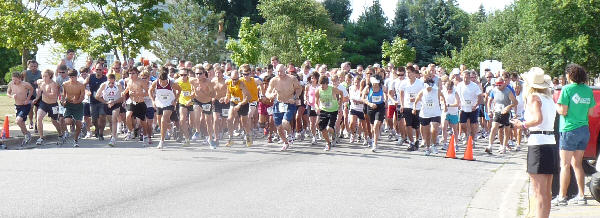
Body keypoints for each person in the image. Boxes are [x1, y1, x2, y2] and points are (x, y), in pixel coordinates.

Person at [510, 67, 558, 218]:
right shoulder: (549, 99)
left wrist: (522, 124)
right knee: (546, 191)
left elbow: (538, 119)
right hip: (550, 142)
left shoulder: (534, 97)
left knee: (538, 191)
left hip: (538, 143)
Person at [554, 64, 595, 206]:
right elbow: (590, 112)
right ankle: (581, 196)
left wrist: (556, 105)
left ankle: (562, 196)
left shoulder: (567, 89)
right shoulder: (588, 90)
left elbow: (563, 111)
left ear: (570, 75)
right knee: (577, 164)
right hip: (584, 129)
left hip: (569, 129)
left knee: (565, 164)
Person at [266, 64, 302, 151]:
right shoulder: (274, 80)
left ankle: (290, 134)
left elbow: (299, 89)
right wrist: (271, 95)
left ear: (285, 70)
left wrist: (294, 97)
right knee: (279, 127)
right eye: (278, 71)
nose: (279, 73)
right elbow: (268, 92)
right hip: (278, 104)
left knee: (285, 122)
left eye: (281, 71)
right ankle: (285, 142)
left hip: (289, 103)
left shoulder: (292, 78)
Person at [413, 78, 446, 155]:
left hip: (435, 113)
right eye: (428, 87)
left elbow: (442, 96)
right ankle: (427, 148)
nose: (429, 88)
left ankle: (433, 145)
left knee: (434, 130)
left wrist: (445, 105)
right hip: (425, 114)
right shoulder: (422, 92)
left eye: (430, 87)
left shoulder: (436, 91)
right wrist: (414, 107)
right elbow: (416, 100)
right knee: (427, 133)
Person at [486, 77, 518, 154]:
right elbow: (489, 101)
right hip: (497, 111)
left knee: (506, 130)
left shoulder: (508, 91)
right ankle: (490, 146)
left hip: (506, 112)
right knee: (494, 127)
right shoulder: (494, 90)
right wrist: (489, 110)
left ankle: (504, 146)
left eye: (500, 84)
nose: (498, 86)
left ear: (503, 83)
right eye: (496, 84)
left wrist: (509, 107)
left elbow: (515, 102)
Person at [149, 71, 180, 149]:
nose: (163, 83)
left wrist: (175, 100)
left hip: (169, 103)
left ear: (167, 79)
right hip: (159, 103)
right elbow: (150, 91)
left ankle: (161, 141)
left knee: (163, 120)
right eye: (161, 81)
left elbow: (180, 90)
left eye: (164, 81)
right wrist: (153, 100)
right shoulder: (155, 83)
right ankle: (169, 127)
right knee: (160, 122)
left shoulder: (171, 83)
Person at [33, 70, 64, 145]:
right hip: (43, 103)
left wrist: (43, 91)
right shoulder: (41, 82)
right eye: (43, 76)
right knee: (39, 118)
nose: (44, 78)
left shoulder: (53, 84)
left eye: (45, 76)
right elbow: (37, 84)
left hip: (53, 105)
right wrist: (36, 98)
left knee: (54, 121)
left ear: (50, 76)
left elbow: (54, 95)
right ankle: (41, 137)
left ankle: (60, 134)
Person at [123, 67, 151, 146]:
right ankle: (131, 131)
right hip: (132, 102)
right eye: (130, 73)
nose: (131, 75)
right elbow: (128, 88)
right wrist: (123, 93)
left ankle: (145, 136)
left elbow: (147, 92)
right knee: (128, 116)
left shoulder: (141, 81)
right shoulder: (128, 80)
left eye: (133, 73)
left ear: (137, 74)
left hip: (140, 103)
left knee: (143, 121)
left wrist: (138, 94)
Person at [224, 70, 253, 147]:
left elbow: (248, 97)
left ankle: (248, 136)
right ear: (230, 78)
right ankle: (230, 139)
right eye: (233, 79)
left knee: (244, 123)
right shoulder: (229, 83)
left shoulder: (241, 84)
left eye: (236, 79)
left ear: (238, 78)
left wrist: (240, 104)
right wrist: (226, 98)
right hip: (233, 103)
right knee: (229, 119)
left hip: (243, 103)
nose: (234, 81)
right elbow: (228, 94)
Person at [398, 66, 424, 151]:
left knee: (416, 126)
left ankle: (417, 140)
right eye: (407, 73)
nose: (408, 74)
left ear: (413, 73)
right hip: (407, 106)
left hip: (417, 106)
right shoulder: (404, 83)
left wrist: (416, 98)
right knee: (407, 124)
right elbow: (401, 94)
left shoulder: (420, 83)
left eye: (409, 72)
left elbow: (423, 94)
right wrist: (402, 105)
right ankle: (411, 142)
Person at [315, 75, 343, 151]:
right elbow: (316, 102)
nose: (322, 86)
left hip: (333, 110)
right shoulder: (318, 90)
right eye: (320, 84)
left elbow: (341, 93)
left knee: (329, 128)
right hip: (323, 110)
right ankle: (328, 143)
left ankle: (334, 134)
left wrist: (340, 106)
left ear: (327, 83)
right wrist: (317, 108)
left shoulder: (332, 89)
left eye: (323, 84)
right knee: (321, 128)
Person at [96, 73, 124, 147]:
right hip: (107, 104)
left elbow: (122, 97)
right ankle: (113, 135)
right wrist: (106, 102)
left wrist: (114, 102)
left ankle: (113, 138)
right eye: (110, 82)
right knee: (111, 121)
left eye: (112, 82)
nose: (111, 84)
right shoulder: (104, 85)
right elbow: (97, 96)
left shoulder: (118, 85)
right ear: (107, 80)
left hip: (116, 103)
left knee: (114, 117)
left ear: (115, 80)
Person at [191, 67, 216, 148]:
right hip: (197, 101)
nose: (198, 75)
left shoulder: (208, 82)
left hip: (206, 102)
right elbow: (193, 92)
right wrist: (191, 96)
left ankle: (211, 140)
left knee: (208, 121)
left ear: (204, 74)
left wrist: (203, 91)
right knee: (196, 112)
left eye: (200, 73)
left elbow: (213, 94)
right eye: (197, 74)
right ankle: (197, 131)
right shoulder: (193, 81)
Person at [7, 71, 34, 146]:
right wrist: (12, 96)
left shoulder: (25, 84)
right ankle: (26, 135)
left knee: (18, 121)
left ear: (19, 79)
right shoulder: (11, 84)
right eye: (13, 79)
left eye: (15, 80)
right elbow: (8, 93)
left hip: (25, 105)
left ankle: (27, 134)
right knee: (21, 122)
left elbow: (32, 89)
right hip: (17, 106)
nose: (14, 81)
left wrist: (28, 99)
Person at [456, 70, 483, 145]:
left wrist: (476, 105)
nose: (465, 79)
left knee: (473, 124)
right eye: (464, 77)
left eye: (467, 77)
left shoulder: (474, 85)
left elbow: (480, 96)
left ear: (469, 77)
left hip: (473, 107)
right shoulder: (460, 85)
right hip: (463, 107)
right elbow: (456, 95)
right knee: (462, 124)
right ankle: (466, 135)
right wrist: (458, 103)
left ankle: (472, 138)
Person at [60, 69, 86, 147]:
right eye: (70, 77)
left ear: (76, 77)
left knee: (78, 124)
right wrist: (63, 101)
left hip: (78, 105)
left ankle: (75, 140)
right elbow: (63, 95)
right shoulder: (65, 84)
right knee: (66, 121)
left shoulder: (81, 85)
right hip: (69, 105)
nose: (72, 79)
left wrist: (77, 101)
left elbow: (82, 96)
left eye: (73, 77)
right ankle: (68, 130)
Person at [363, 74, 386, 152]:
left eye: (376, 83)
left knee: (376, 125)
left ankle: (375, 144)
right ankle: (373, 139)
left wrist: (386, 100)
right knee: (373, 128)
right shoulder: (368, 88)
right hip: (371, 107)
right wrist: (369, 104)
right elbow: (362, 98)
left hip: (380, 107)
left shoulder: (382, 87)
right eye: (373, 82)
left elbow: (388, 93)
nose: (374, 84)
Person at [85, 62, 108, 140]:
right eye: (97, 69)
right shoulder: (90, 77)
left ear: (103, 70)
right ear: (94, 69)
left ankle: (101, 134)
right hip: (93, 101)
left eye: (100, 69)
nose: (98, 71)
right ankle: (97, 128)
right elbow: (83, 85)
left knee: (102, 116)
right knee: (94, 120)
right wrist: (87, 91)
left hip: (102, 101)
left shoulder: (105, 78)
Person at [441, 80, 460, 150]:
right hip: (445, 112)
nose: (449, 90)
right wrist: (444, 105)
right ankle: (445, 143)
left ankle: (456, 144)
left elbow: (457, 103)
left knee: (454, 129)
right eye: (447, 89)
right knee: (444, 127)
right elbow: (441, 100)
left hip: (453, 113)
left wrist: (448, 105)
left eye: (450, 89)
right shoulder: (443, 92)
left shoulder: (455, 93)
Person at [348, 75, 365, 144]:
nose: (356, 84)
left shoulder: (363, 89)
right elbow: (349, 97)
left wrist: (358, 101)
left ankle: (360, 135)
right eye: (355, 82)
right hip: (353, 108)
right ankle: (353, 134)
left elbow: (365, 100)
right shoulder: (351, 88)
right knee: (352, 123)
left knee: (361, 124)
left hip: (361, 109)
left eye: (358, 82)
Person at [25, 60, 42, 130]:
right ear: (28, 66)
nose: (33, 67)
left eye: (35, 66)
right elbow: (19, 78)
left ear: (37, 66)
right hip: (29, 93)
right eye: (31, 66)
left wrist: (39, 81)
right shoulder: (26, 72)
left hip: (38, 93)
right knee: (30, 107)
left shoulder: (40, 73)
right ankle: (31, 121)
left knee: (37, 109)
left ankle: (36, 123)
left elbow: (45, 79)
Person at [305, 72, 320, 145]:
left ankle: (319, 130)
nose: (312, 79)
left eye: (313, 78)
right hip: (310, 106)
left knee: (317, 123)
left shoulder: (320, 86)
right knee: (311, 123)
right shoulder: (308, 86)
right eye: (311, 78)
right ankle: (314, 137)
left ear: (317, 78)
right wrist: (306, 100)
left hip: (318, 106)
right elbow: (306, 95)